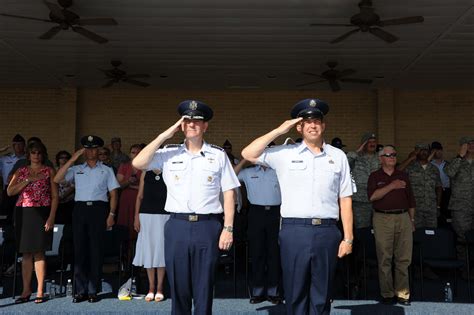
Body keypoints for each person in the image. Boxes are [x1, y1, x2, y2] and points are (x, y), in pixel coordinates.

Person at [241, 98, 354, 315]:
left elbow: (345, 198)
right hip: (294, 231)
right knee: (295, 291)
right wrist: (279, 130)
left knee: (322, 292)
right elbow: (248, 154)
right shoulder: (285, 154)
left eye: (317, 121)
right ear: (299, 127)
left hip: (327, 231)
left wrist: (348, 238)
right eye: (307, 122)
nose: (313, 125)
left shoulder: (337, 156)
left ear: (324, 125)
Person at [132, 100, 240, 315]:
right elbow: (139, 163)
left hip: (208, 225)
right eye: (187, 121)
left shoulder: (218, 155)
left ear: (205, 126)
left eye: (197, 121)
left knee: (204, 284)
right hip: (177, 225)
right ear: (181, 126)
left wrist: (228, 228)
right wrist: (165, 135)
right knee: (178, 283)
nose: (192, 125)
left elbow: (229, 192)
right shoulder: (168, 153)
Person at [54, 135, 119, 303]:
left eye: (94, 148)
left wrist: (111, 214)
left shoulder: (106, 170)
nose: (91, 151)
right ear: (84, 151)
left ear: (99, 150)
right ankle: (80, 290)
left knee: (96, 251)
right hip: (80, 210)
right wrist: (73, 158)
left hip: (99, 210)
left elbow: (113, 194)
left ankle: (92, 290)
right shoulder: (76, 169)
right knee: (80, 250)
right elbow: (57, 179)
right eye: (88, 149)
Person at [7, 141, 58, 304]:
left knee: (39, 252)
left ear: (43, 154)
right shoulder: (21, 171)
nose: (36, 155)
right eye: (33, 152)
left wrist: (51, 217)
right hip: (23, 212)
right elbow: (9, 191)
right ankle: (26, 289)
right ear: (28, 155)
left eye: (39, 153)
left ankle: (40, 290)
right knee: (26, 253)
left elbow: (56, 196)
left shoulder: (49, 170)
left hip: (42, 212)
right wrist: (28, 180)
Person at [367, 145, 416, 306]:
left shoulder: (403, 175)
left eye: (394, 154)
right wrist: (392, 186)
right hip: (383, 219)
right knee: (384, 258)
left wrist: (412, 220)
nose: (392, 157)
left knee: (404, 258)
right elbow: (373, 197)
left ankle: (403, 294)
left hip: (403, 218)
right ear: (381, 158)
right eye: (388, 155)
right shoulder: (375, 176)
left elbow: (411, 201)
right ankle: (387, 293)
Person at [234, 159, 283, 304]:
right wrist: (244, 161)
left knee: (274, 254)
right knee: (257, 253)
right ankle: (258, 291)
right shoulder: (248, 172)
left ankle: (274, 292)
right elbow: (231, 175)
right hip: (256, 213)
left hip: (276, 213)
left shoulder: (279, 172)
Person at [132, 169, 169, 302]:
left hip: (165, 215)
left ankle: (159, 288)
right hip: (146, 215)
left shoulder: (169, 170)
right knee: (148, 250)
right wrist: (136, 216)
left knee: (160, 250)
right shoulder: (145, 173)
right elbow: (140, 196)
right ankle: (151, 288)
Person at [444, 136, 474, 279]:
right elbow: (449, 172)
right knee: (463, 240)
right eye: (468, 144)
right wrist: (460, 156)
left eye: (473, 143)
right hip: (461, 207)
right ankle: (465, 271)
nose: (471, 146)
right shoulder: (455, 162)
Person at [398, 143, 442, 228]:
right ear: (416, 152)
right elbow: (397, 172)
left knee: (431, 233)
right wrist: (410, 158)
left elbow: (438, 187)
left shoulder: (434, 169)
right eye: (420, 150)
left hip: (431, 208)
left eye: (425, 150)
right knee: (416, 234)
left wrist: (438, 205)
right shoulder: (409, 167)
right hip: (414, 208)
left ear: (429, 152)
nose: (423, 152)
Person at [346, 132, 380, 229]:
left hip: (377, 200)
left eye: (374, 142)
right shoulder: (355, 157)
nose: (372, 144)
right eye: (369, 142)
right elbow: (344, 166)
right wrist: (357, 151)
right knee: (362, 230)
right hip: (360, 202)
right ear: (363, 144)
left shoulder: (380, 158)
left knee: (379, 230)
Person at [116, 144, 143, 242]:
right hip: (126, 199)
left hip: (139, 200)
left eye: (138, 152)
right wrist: (128, 182)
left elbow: (147, 188)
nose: (136, 154)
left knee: (139, 225)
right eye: (133, 152)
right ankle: (123, 253)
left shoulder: (146, 167)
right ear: (129, 154)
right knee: (124, 225)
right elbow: (118, 185)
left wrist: (131, 186)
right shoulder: (124, 166)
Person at [0, 134, 26, 220]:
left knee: (22, 216)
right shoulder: (5, 159)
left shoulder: (29, 158)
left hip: (25, 189)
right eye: (15, 144)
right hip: (8, 189)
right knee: (7, 216)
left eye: (20, 144)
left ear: (24, 145)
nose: (17, 146)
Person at [430, 141, 451, 225]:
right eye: (435, 150)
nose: (437, 152)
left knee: (446, 214)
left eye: (439, 150)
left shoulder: (448, 164)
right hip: (434, 192)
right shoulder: (429, 164)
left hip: (446, 191)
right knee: (436, 214)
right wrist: (431, 154)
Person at [54, 150, 74, 224]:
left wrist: (63, 197)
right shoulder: (54, 170)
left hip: (68, 200)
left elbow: (73, 187)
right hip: (55, 201)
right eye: (61, 157)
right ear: (58, 159)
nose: (64, 159)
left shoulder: (73, 170)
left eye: (66, 157)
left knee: (67, 223)